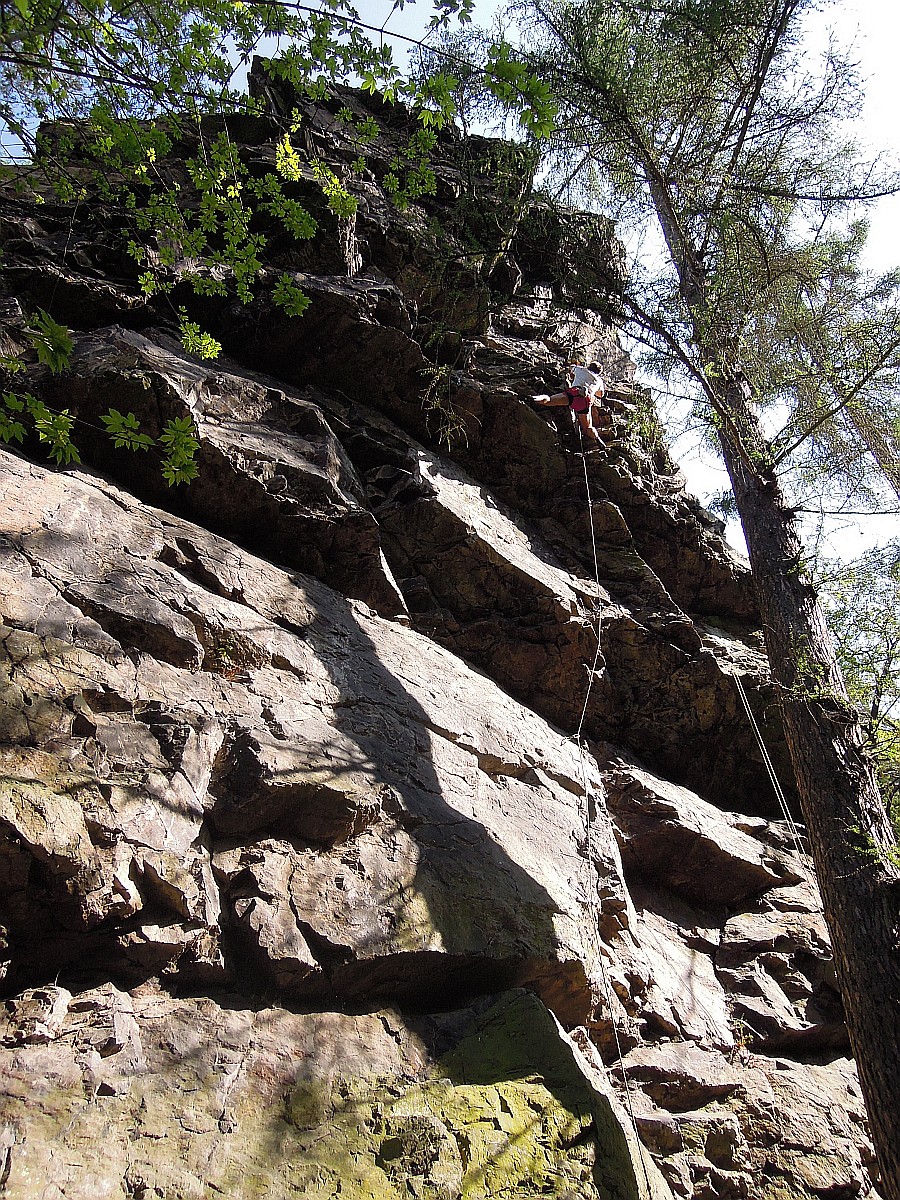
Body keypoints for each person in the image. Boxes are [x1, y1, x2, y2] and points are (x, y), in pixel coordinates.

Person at [532, 360, 605, 449]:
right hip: (586, 400)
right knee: (587, 428)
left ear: (589, 366)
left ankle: (533, 398)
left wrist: (574, 374)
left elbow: (570, 369)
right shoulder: (599, 380)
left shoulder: (580, 369)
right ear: (598, 373)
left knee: (549, 400)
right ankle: (597, 439)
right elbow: (601, 395)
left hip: (574, 392)